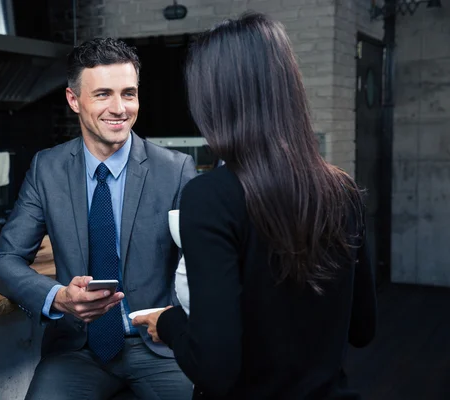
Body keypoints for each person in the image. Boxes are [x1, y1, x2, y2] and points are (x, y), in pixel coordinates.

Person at [133, 12, 377, 400]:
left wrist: (170, 323)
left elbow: (215, 371)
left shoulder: (209, 198)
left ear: (214, 99)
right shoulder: (342, 189)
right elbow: (363, 330)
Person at [0, 38, 196, 400]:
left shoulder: (176, 170)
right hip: (76, 350)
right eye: (102, 94)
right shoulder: (46, 169)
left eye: (128, 94)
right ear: (73, 100)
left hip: (160, 347)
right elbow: (3, 262)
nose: (119, 108)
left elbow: (203, 266)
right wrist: (58, 297)